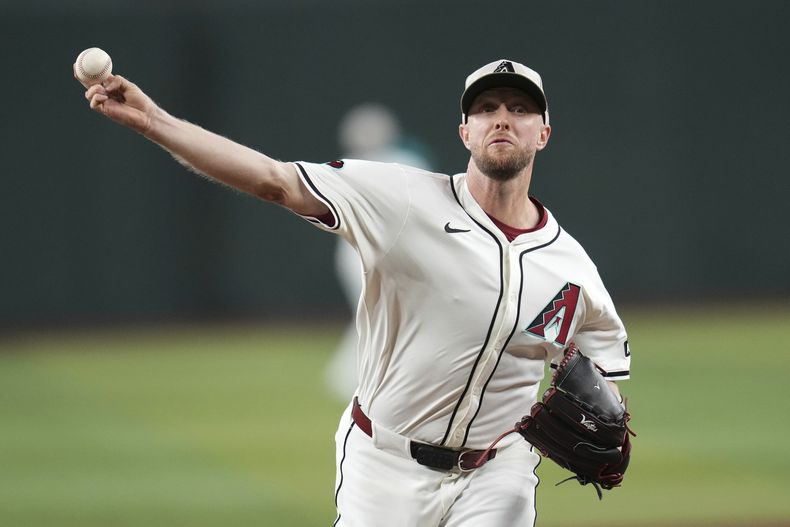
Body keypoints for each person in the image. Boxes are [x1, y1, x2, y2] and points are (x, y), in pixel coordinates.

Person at [79, 58, 631, 526]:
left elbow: (601, 360)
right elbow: (275, 180)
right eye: (486, 109)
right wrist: (154, 121)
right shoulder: (404, 199)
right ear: (465, 132)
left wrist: (605, 404)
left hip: (498, 472)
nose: (502, 120)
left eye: (519, 108)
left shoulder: (572, 269)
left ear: (543, 133)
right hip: (384, 464)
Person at [327, 103, 434, 401]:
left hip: (391, 251)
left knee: (384, 313)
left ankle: (354, 377)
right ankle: (352, 379)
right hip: (357, 251)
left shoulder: (405, 161)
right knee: (373, 312)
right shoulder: (348, 169)